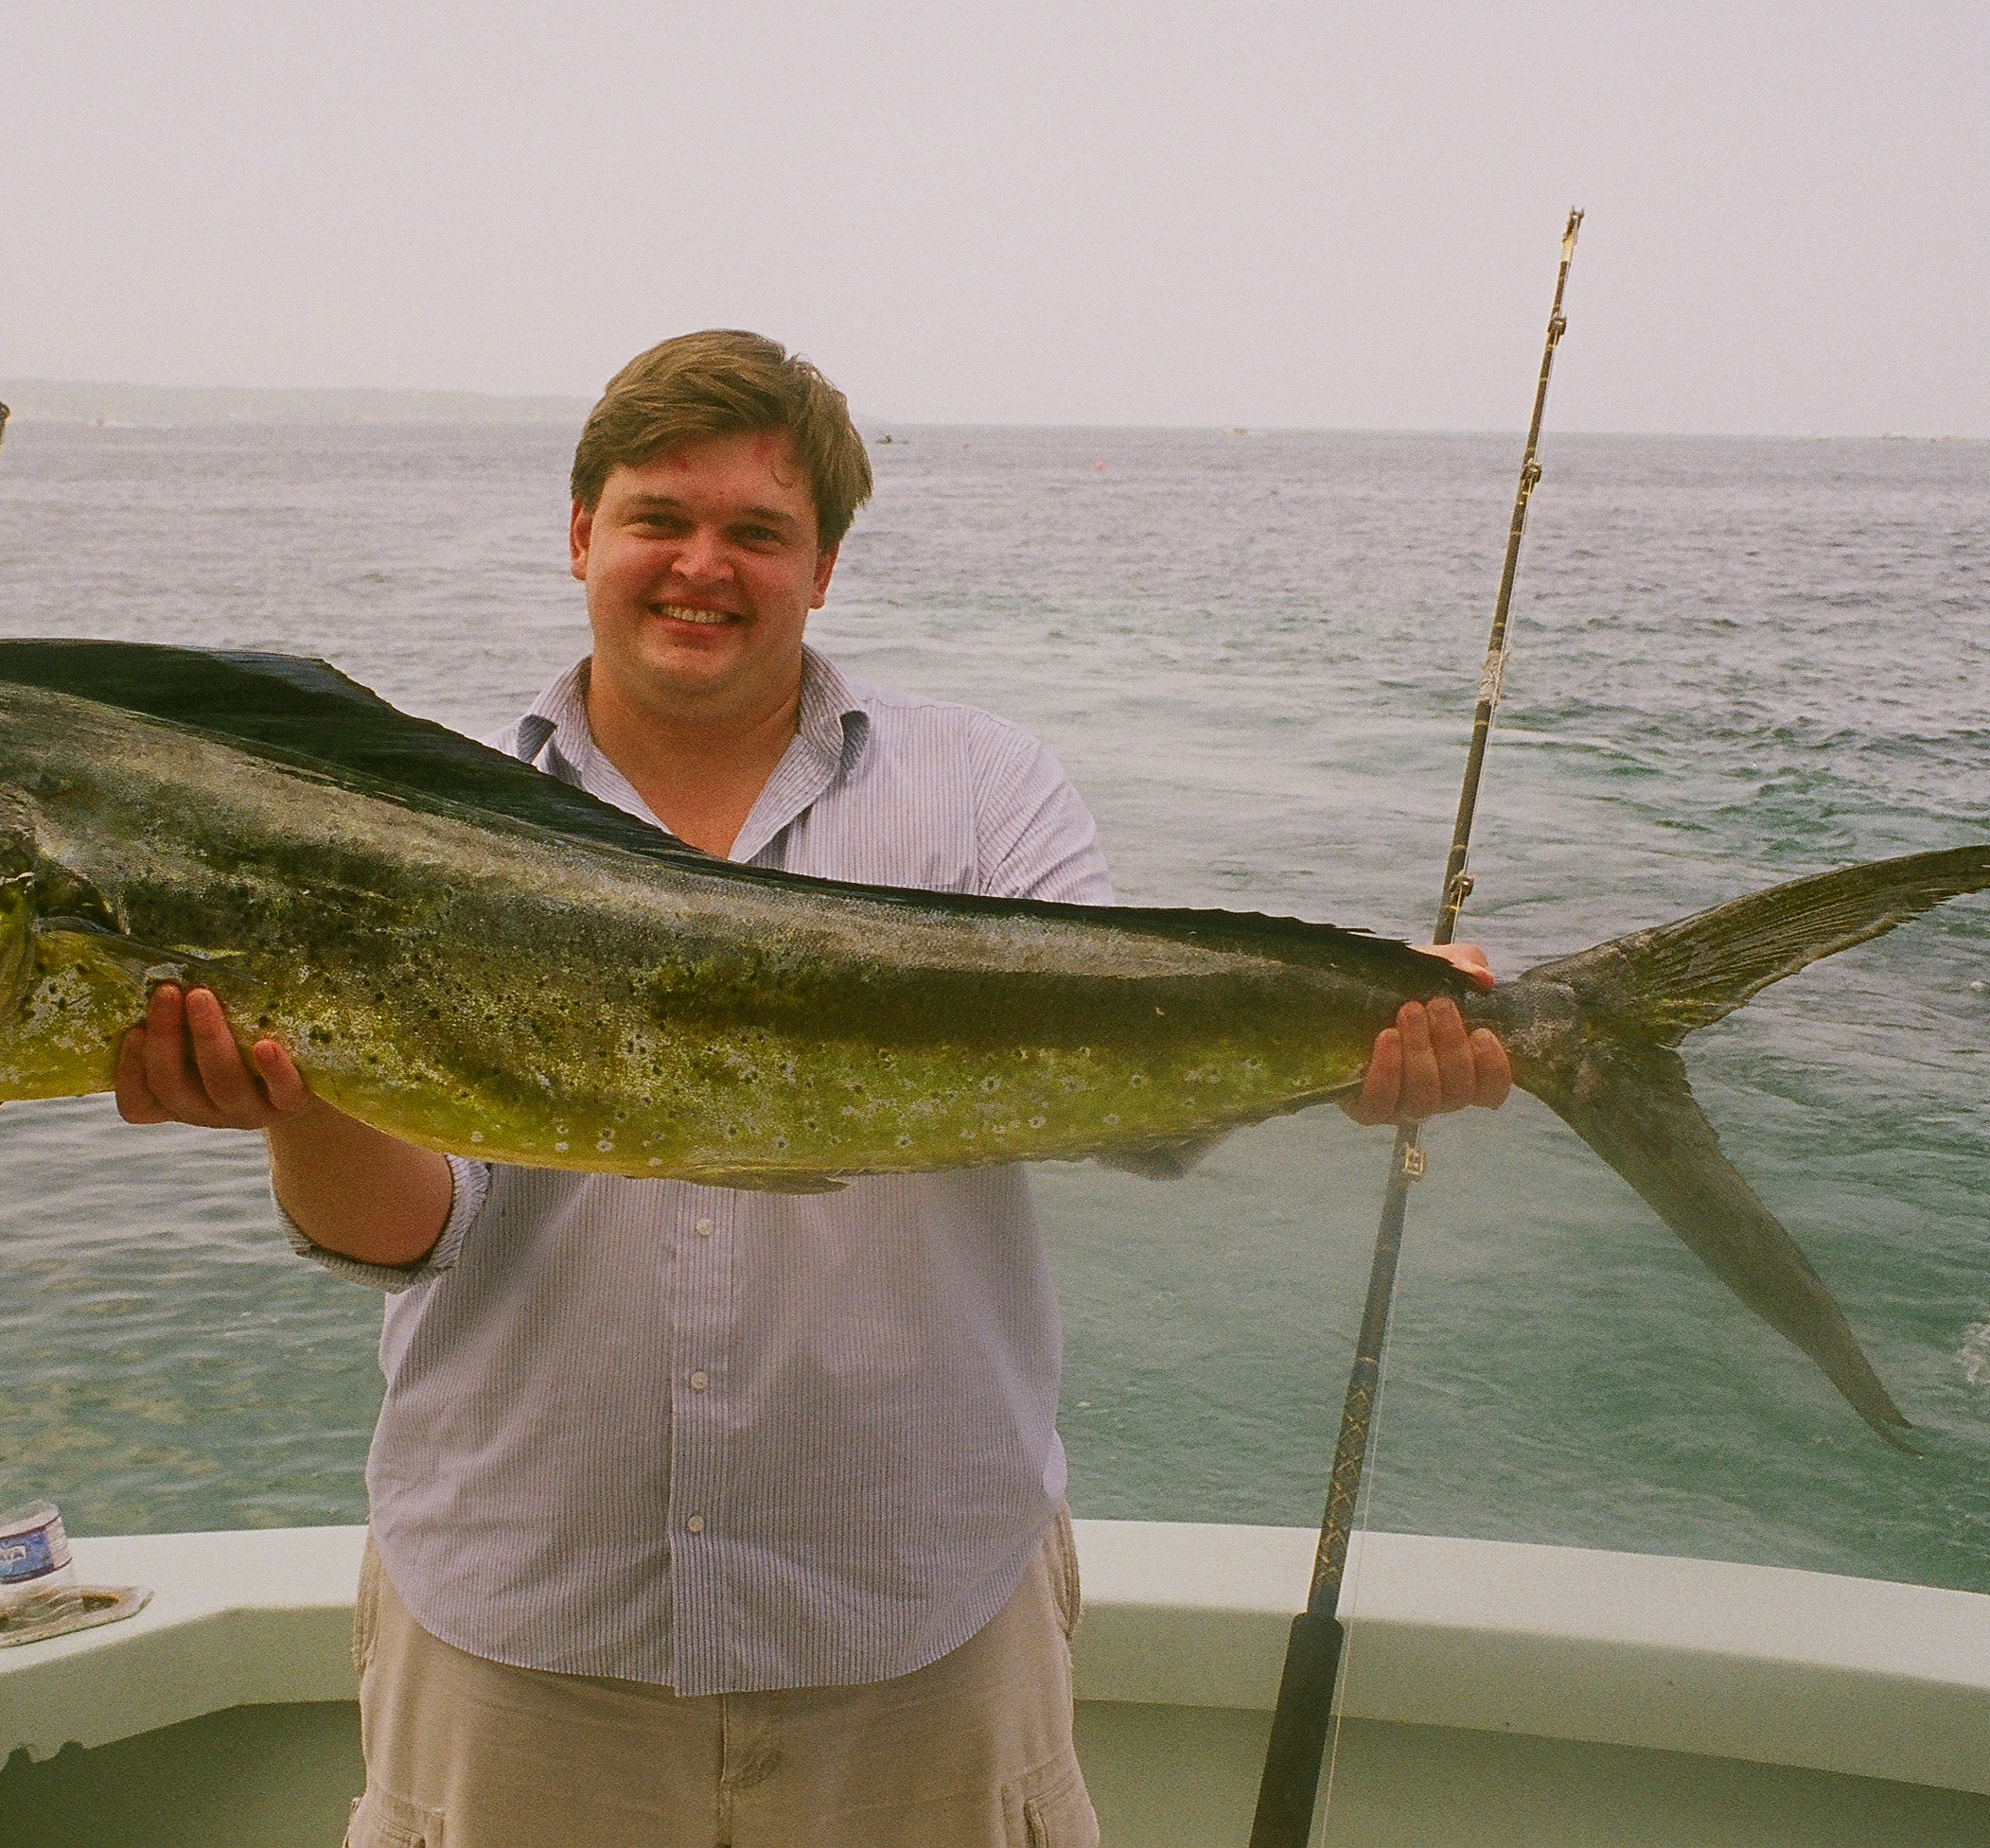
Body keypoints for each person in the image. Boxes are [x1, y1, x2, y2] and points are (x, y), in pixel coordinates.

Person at [114, 331, 1508, 1847]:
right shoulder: (406, 814)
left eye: (757, 533)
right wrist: (299, 1100)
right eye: (659, 518)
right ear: (580, 534)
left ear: (823, 566)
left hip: (913, 1628)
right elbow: (415, 1234)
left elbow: (1121, 1085)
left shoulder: (986, 791)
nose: (700, 566)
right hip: (525, 1634)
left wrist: (1343, 1043)